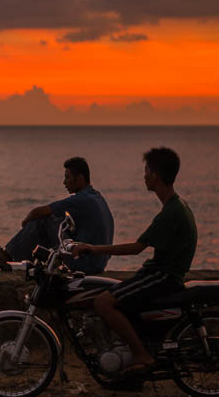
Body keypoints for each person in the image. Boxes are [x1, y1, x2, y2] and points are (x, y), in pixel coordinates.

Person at [70, 147, 197, 374]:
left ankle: (141, 355)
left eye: (147, 170)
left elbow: (137, 248)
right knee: (116, 297)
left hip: (162, 277)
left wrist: (92, 249)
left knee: (102, 302)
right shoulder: (176, 205)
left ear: (156, 175)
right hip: (159, 273)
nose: (144, 175)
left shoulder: (171, 212)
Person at [0, 156, 113, 274]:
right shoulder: (96, 196)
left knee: (44, 221)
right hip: (98, 263)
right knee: (58, 221)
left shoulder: (81, 199)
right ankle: (17, 259)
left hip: (84, 264)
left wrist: (27, 223)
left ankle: (5, 257)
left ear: (80, 178)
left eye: (67, 177)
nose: (64, 182)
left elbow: (40, 212)